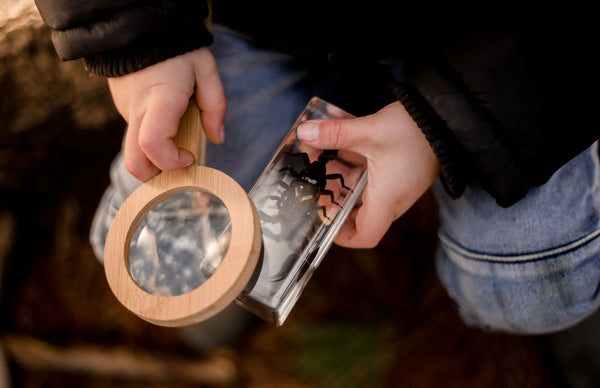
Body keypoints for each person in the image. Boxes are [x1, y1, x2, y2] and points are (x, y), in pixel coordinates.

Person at [35, 0, 600, 335]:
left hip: (506, 53)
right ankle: (219, 325)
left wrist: (447, 128)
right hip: (272, 23)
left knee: (526, 290)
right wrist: (136, 36)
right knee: (135, 239)